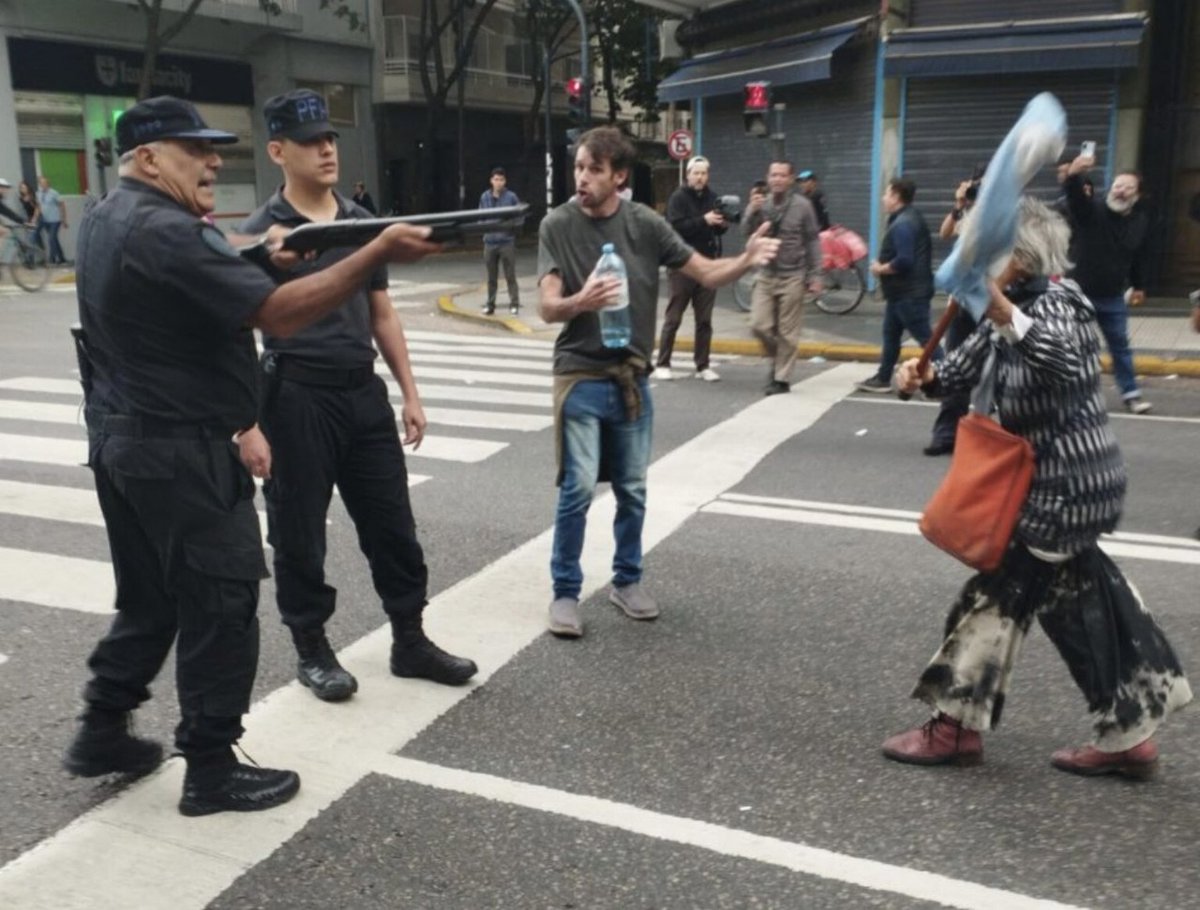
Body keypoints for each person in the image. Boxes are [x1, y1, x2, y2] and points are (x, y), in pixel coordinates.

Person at [63, 95, 441, 816]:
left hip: (124, 444)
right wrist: (374, 252)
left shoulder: (109, 214)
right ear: (149, 158)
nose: (212, 162)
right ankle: (210, 768)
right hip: (182, 452)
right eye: (194, 150)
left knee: (151, 599)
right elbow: (279, 313)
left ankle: (101, 727)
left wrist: (265, 253)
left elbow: (201, 271)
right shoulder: (169, 229)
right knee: (223, 602)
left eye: (213, 149)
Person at [884, 196, 1192, 777]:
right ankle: (1128, 734)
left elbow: (1061, 361)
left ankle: (954, 727)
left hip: (1065, 490)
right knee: (1088, 605)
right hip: (1056, 488)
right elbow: (962, 369)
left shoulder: (1060, 303)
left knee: (993, 601)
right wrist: (922, 376)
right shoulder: (1010, 308)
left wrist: (999, 306)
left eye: (987, 250)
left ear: (1019, 258)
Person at [241, 89, 477, 703]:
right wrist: (247, 424)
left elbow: (381, 312)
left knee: (393, 526)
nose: (326, 149)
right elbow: (237, 330)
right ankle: (312, 649)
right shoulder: (262, 233)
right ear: (277, 151)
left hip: (360, 393)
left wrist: (410, 393)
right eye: (310, 141)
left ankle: (410, 639)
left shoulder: (361, 221)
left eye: (330, 138)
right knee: (298, 534)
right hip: (294, 396)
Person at [537, 126, 779, 638]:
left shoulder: (644, 224)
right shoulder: (557, 224)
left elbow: (705, 272)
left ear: (619, 176)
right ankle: (564, 592)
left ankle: (627, 581)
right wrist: (581, 301)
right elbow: (547, 306)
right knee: (577, 489)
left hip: (631, 377)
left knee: (632, 488)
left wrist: (745, 260)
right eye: (579, 167)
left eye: (594, 169)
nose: (582, 178)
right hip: (579, 373)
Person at [1063, 157, 1152, 414]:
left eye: (1128, 187)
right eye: (1117, 185)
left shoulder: (1139, 220)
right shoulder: (1093, 210)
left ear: (1137, 195)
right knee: (1074, 345)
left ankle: (1131, 394)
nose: (1121, 190)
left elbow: (1136, 255)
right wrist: (1073, 176)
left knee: (1120, 346)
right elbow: (1076, 200)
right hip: (1079, 293)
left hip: (1113, 296)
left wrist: (1138, 285)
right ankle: (1071, 395)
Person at [743, 160, 822, 396]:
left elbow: (812, 240)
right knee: (758, 325)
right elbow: (746, 232)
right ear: (768, 178)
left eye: (782, 175)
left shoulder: (803, 206)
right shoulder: (762, 204)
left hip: (793, 275)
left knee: (788, 331)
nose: (777, 179)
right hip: (766, 274)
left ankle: (781, 379)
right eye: (773, 175)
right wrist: (751, 210)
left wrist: (816, 275)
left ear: (790, 179)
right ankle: (778, 359)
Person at [856, 178, 936, 393]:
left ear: (896, 197)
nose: (883, 198)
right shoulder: (907, 217)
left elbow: (904, 260)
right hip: (900, 293)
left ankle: (944, 382)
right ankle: (883, 377)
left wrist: (880, 268)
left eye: (886, 193)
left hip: (909, 294)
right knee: (890, 335)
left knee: (927, 340)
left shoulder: (903, 224)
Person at [655, 155, 727, 382]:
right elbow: (676, 227)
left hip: (707, 265)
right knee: (674, 317)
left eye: (704, 173)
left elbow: (717, 229)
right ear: (688, 175)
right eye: (696, 173)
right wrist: (703, 220)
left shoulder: (713, 198)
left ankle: (702, 365)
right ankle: (663, 363)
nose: (700, 177)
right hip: (682, 265)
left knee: (704, 320)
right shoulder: (678, 198)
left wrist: (721, 224)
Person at [925, 177, 981, 456]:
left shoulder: (1006, 211)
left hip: (996, 302)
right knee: (955, 364)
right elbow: (945, 233)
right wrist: (960, 205)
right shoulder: (966, 212)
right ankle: (947, 434)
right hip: (963, 303)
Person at [478, 166, 521, 315]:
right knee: (491, 277)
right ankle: (490, 304)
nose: (498, 183)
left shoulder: (511, 197)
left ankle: (514, 304)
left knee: (510, 275)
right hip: (490, 242)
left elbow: (519, 216)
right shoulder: (485, 197)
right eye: (496, 179)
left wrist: (511, 229)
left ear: (505, 181)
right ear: (491, 180)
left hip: (506, 242)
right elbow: (480, 216)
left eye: (501, 180)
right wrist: (485, 228)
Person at [36, 174, 68, 264]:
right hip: (45, 220)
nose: (42, 185)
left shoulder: (54, 193)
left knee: (51, 238)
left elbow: (62, 205)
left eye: (44, 183)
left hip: (55, 220)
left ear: (48, 184)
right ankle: (61, 258)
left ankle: (52, 259)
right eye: (41, 183)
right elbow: (39, 206)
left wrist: (64, 219)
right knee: (54, 239)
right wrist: (35, 218)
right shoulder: (38, 193)